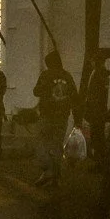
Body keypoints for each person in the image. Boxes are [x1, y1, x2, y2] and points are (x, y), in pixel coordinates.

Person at [33, 49, 78, 182]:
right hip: (62, 116)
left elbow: (36, 91)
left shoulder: (46, 75)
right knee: (57, 144)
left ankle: (48, 171)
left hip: (47, 115)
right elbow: (74, 96)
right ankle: (56, 175)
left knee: (42, 144)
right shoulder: (68, 76)